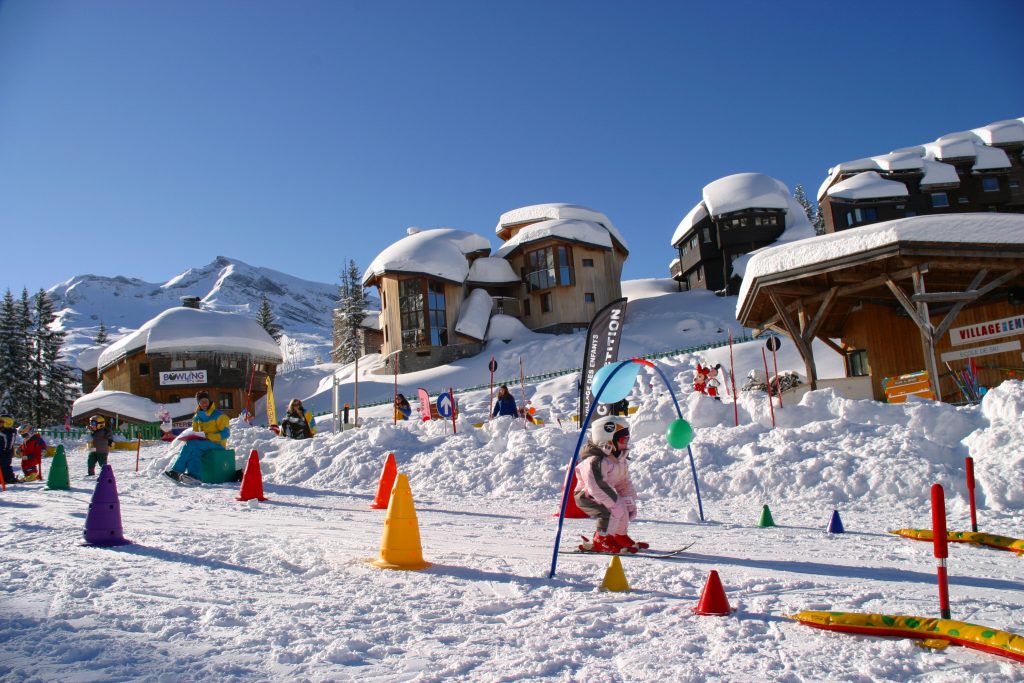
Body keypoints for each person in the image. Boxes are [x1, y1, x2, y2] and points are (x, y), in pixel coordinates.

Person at [573, 415, 646, 553]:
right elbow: (595, 485)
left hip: (601, 492)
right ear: (608, 440)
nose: (627, 443)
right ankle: (601, 540)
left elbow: (623, 482)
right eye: (624, 440)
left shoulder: (619, 458)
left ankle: (619, 536)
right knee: (610, 511)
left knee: (622, 508)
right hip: (586, 494)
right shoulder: (595, 461)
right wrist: (615, 502)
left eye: (628, 439)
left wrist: (628, 500)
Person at [165, 391, 230, 481]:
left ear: (209, 401)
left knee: (192, 444)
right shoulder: (196, 418)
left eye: (206, 401)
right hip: (203, 445)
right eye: (201, 402)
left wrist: (208, 436)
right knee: (194, 450)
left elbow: (226, 434)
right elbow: (195, 433)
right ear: (198, 403)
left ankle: (176, 471)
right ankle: (195, 477)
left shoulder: (219, 416)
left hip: (218, 444)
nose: (204, 404)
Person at [0, 414, 18, 484]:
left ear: (7, 423)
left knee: (5, 466)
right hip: (3, 452)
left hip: (5, 453)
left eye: (1, 423)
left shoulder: (8, 433)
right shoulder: (3, 431)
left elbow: (7, 444)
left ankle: (9, 478)